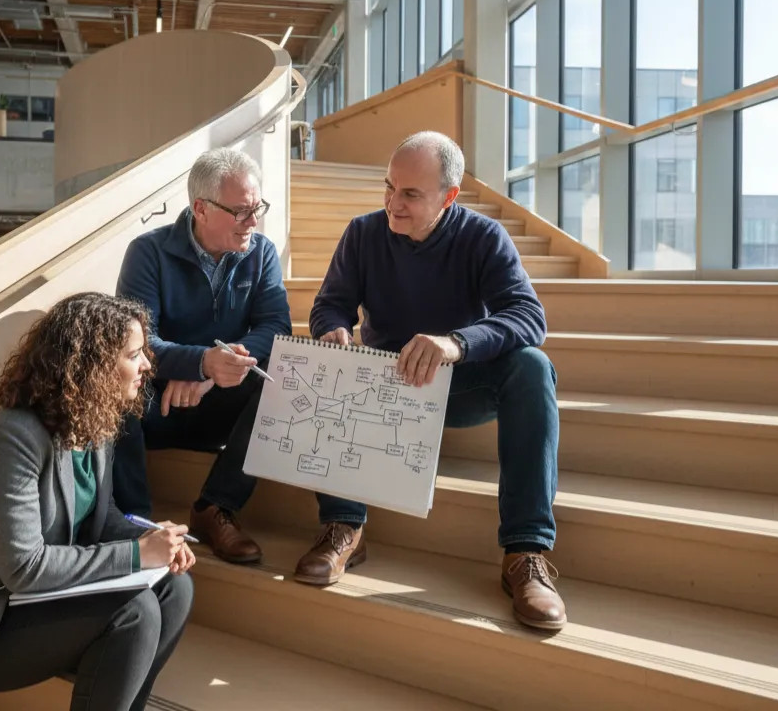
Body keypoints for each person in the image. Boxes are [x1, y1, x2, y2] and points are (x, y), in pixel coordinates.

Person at [304, 131, 566, 631]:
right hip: (383, 390)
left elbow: (528, 316)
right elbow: (329, 304)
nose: (391, 204)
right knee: (329, 357)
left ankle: (525, 555)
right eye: (388, 188)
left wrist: (457, 343)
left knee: (533, 366)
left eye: (409, 195)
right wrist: (333, 328)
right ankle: (342, 527)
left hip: (459, 385)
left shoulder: (484, 237)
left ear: (449, 197)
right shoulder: (362, 234)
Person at [0, 292, 196, 710]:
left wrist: (153, 539)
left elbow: (100, 516)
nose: (147, 364)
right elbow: (24, 567)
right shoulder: (11, 438)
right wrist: (135, 554)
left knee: (176, 588)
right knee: (137, 611)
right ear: (91, 365)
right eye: (134, 354)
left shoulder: (93, 426)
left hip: (36, 605)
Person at [112, 147, 291, 564]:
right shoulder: (147, 253)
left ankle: (215, 507)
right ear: (201, 208)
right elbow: (138, 340)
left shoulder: (261, 253)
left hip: (223, 399)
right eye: (242, 211)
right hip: (157, 402)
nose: (254, 221)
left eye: (257, 208)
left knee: (280, 388)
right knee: (109, 395)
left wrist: (211, 371)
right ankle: (134, 526)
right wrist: (199, 361)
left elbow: (276, 328)